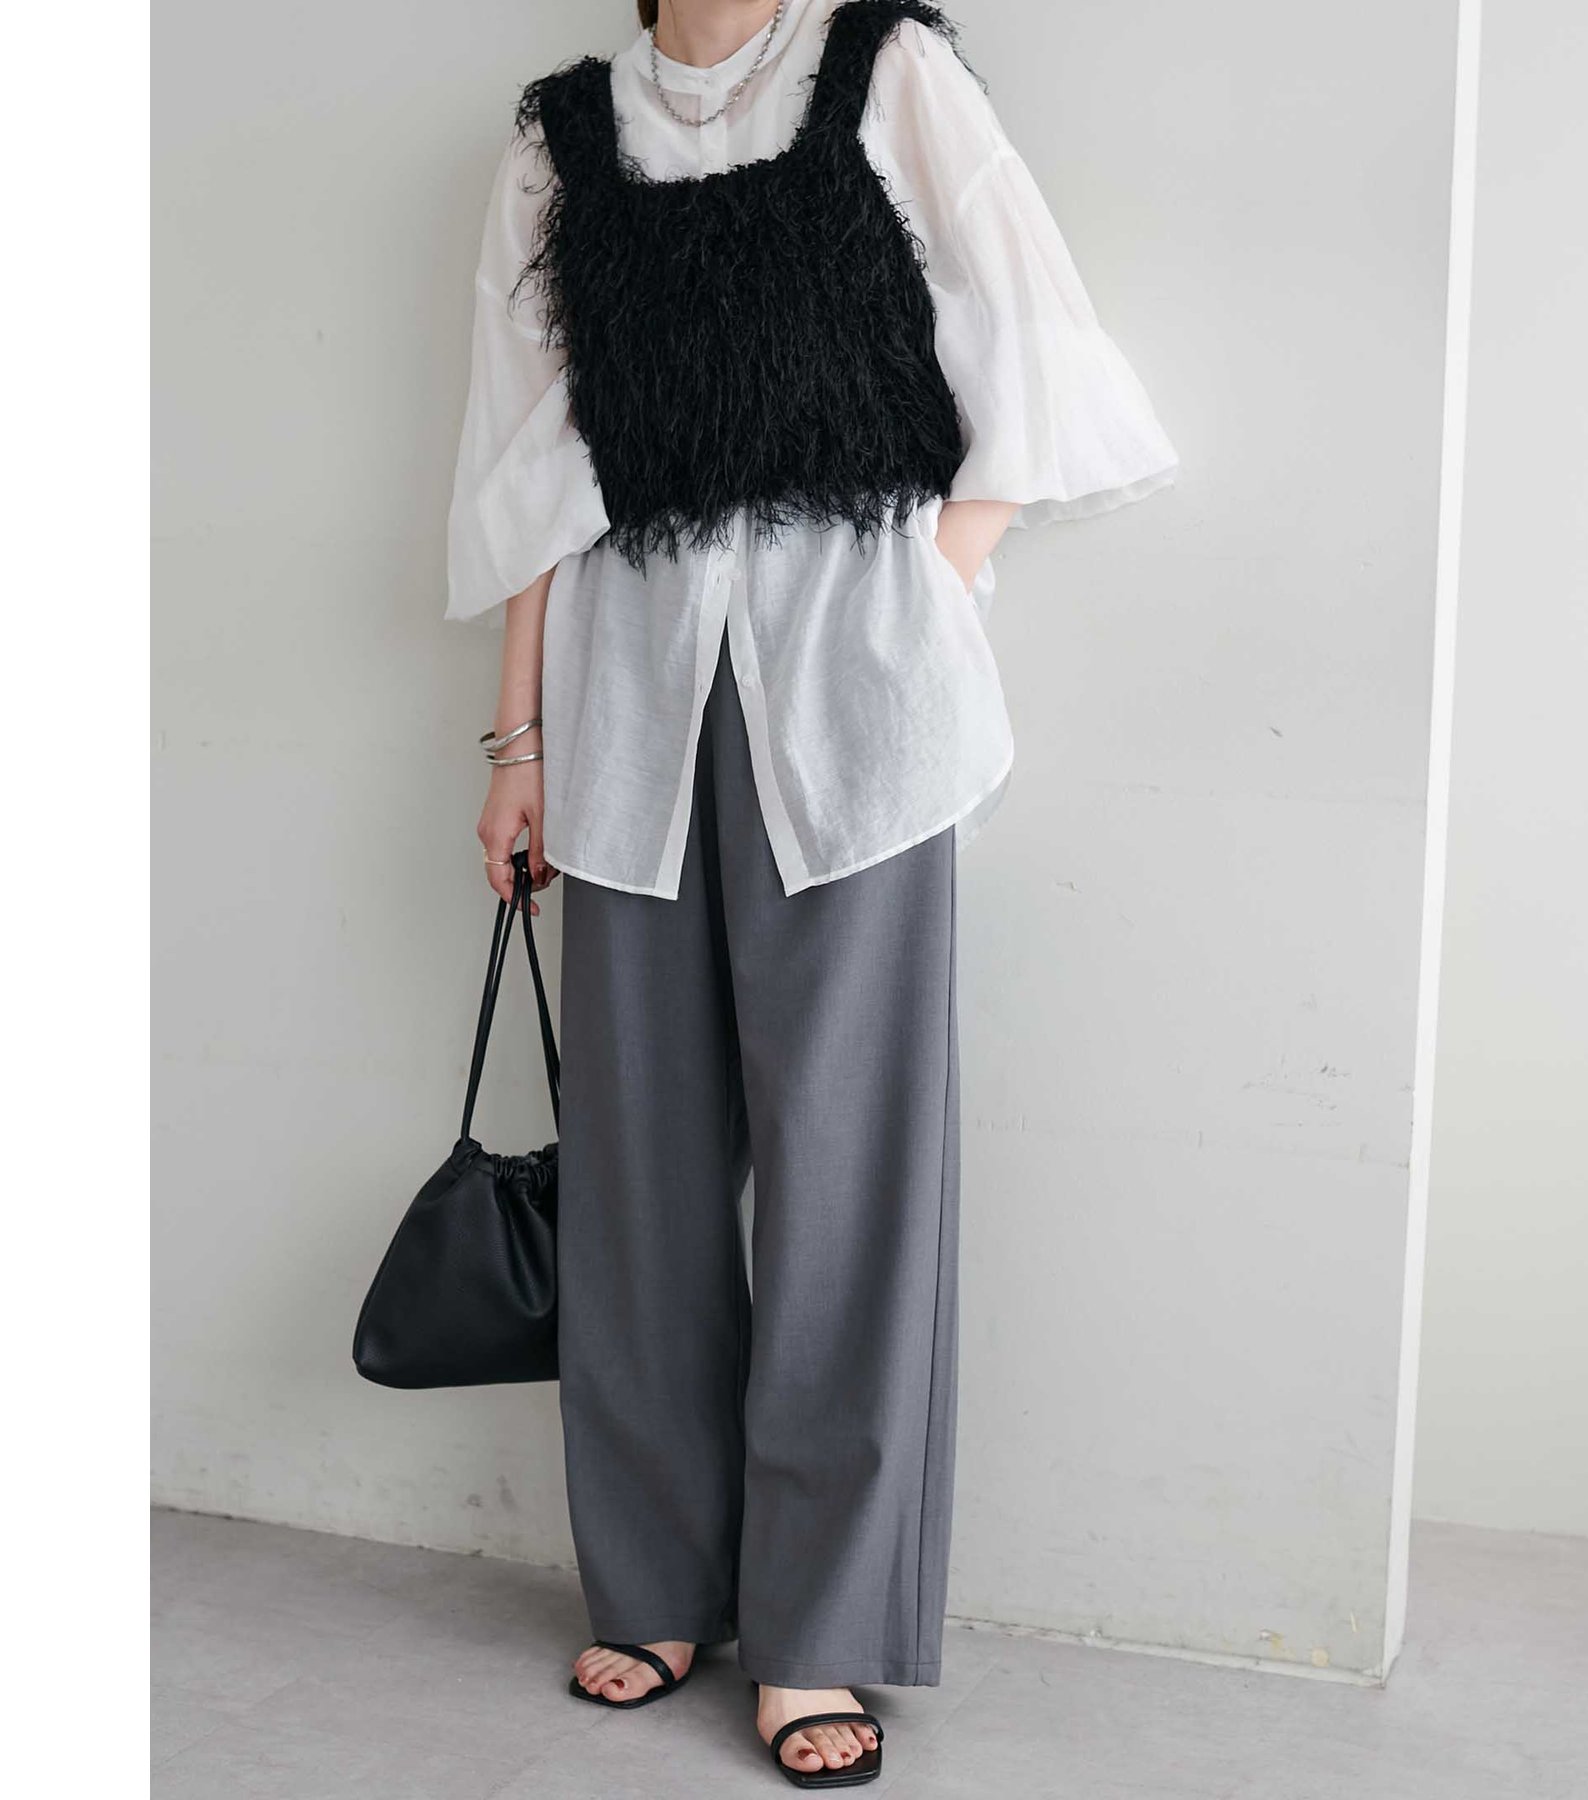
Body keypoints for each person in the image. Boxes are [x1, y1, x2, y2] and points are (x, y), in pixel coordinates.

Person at [446, 0, 1175, 1784]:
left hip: (860, 711)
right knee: (638, 1171)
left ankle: (821, 1628)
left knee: (849, 1181)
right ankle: (655, 1584)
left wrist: (933, 584)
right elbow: (532, 458)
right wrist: (514, 743)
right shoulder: (561, 136)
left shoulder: (887, 71)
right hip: (628, 704)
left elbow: (1036, 340)